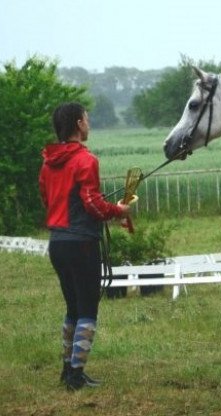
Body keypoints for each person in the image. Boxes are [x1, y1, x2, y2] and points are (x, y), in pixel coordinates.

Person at [39, 102, 130, 391]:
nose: (89, 124)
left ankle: (68, 370)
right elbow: (91, 203)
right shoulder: (85, 160)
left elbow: (49, 199)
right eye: (87, 119)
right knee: (88, 307)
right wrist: (118, 210)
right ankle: (77, 376)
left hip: (58, 243)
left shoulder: (47, 162)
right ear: (79, 124)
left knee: (72, 307)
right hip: (81, 244)